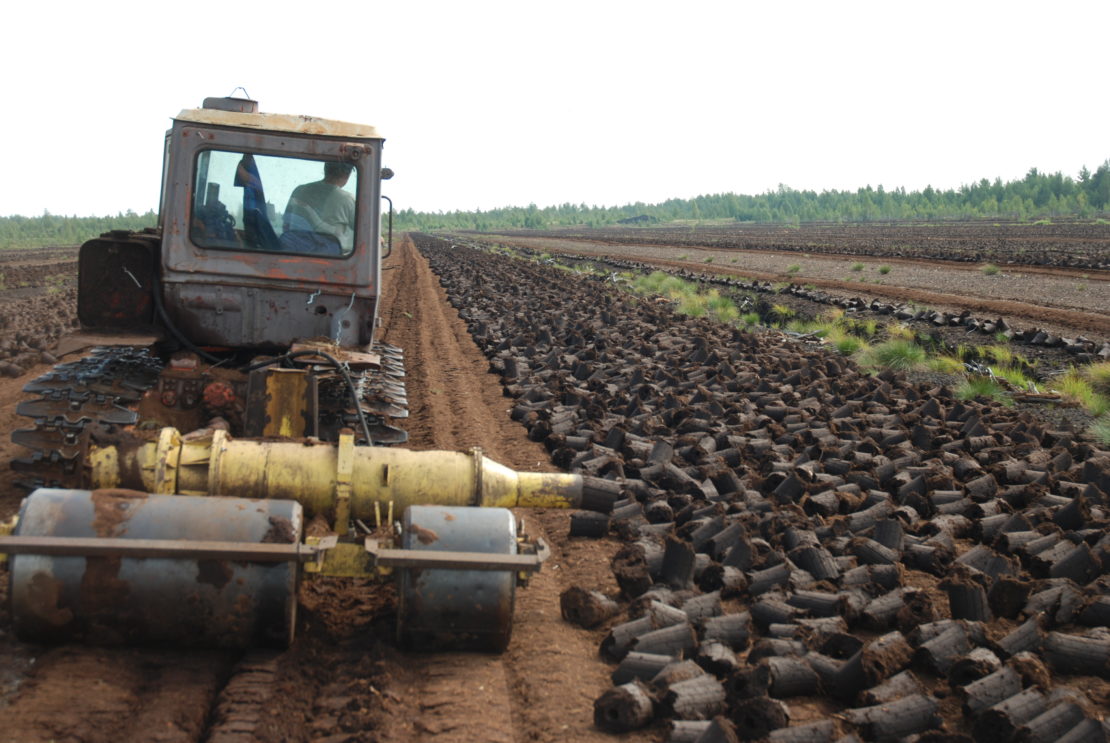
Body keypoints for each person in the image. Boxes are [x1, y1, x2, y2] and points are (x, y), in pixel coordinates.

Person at [281, 161, 356, 254]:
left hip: (292, 253)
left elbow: (286, 223)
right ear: (347, 175)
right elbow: (363, 231)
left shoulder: (299, 190)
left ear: (325, 169)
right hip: (331, 259)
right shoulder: (347, 199)